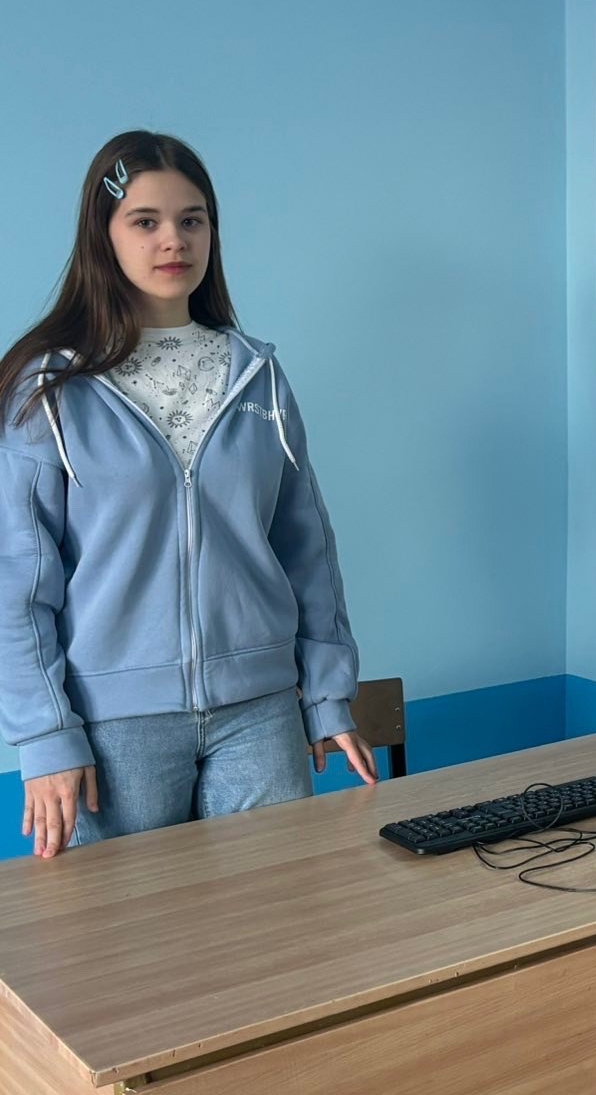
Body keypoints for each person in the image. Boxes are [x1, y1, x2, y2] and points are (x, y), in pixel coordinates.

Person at [0, 131, 376, 861]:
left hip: (261, 711)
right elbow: (17, 583)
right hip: (115, 727)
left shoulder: (257, 374)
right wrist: (44, 734)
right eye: (145, 220)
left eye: (192, 219)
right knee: (128, 931)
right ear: (103, 235)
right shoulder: (50, 389)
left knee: (275, 917)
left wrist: (328, 694)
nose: (173, 239)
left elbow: (306, 548)